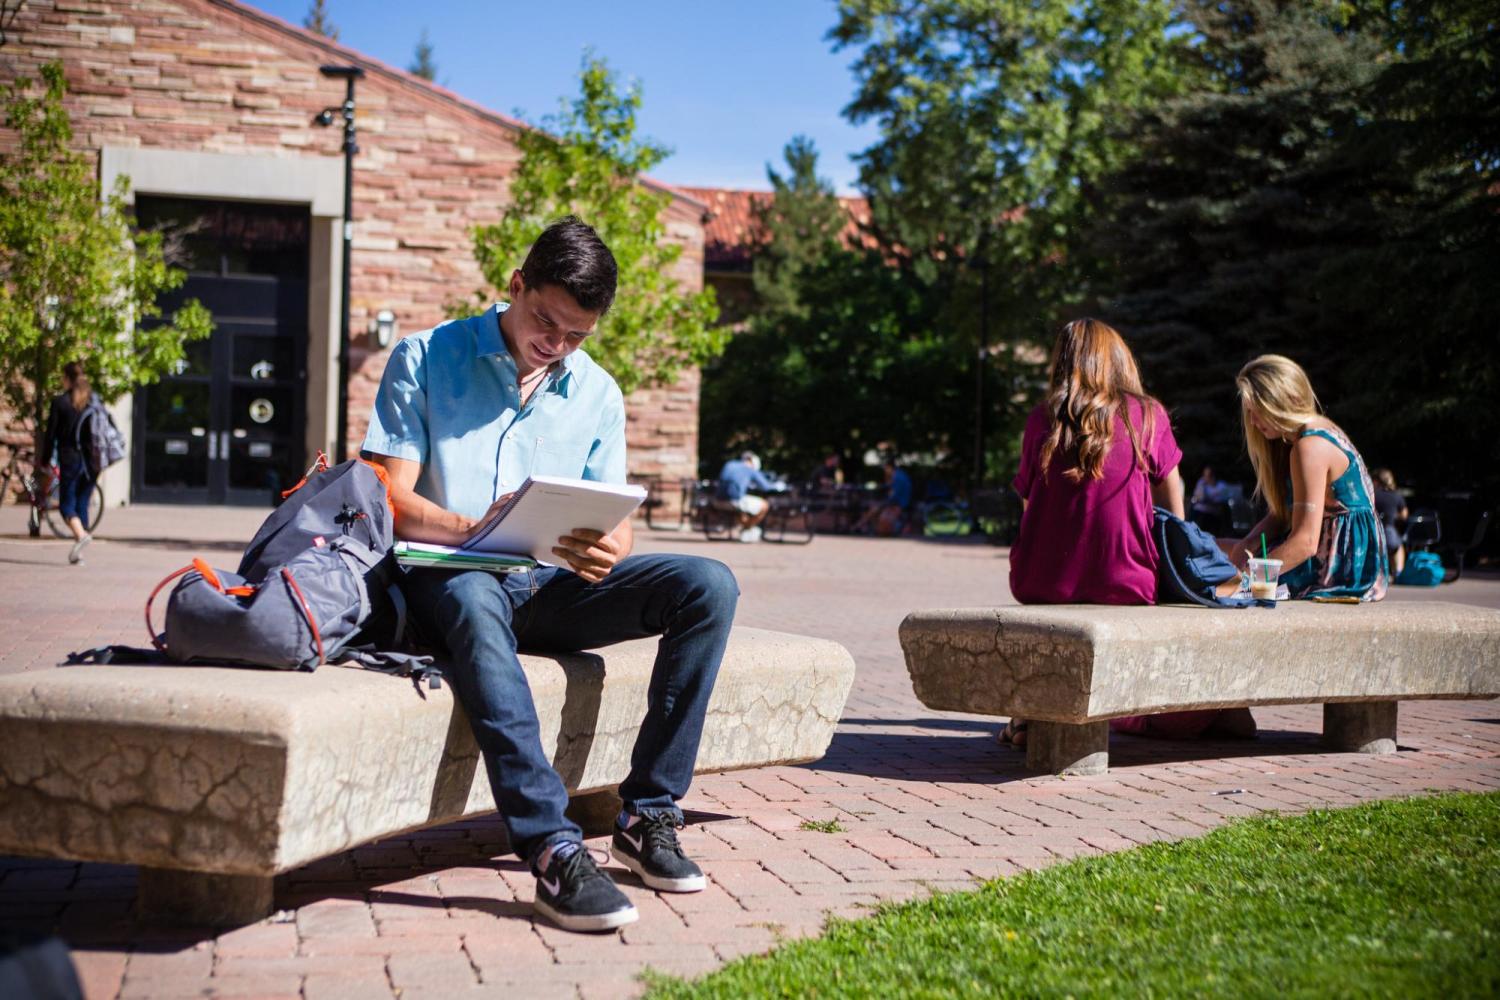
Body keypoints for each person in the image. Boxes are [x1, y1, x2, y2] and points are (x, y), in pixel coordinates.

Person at [362, 217, 740, 933]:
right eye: (546, 322)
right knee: (475, 597)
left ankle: (649, 814)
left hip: (546, 586)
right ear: (515, 285)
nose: (556, 345)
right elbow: (387, 495)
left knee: (708, 585)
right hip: (451, 576)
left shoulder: (597, 392)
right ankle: (551, 846)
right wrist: (472, 527)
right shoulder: (425, 355)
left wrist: (610, 548)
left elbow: (615, 515)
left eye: (577, 336)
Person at [1005, 319, 1253, 746]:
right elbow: (1174, 507)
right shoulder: (1147, 415)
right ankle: (1148, 716)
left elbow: (1029, 508)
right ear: (1119, 360)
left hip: (1040, 581)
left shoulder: (1041, 420)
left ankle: (1029, 716)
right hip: (1125, 581)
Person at [1217, 355, 1388, 602]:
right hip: (1348, 558)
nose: (1252, 422)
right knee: (1220, 548)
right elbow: (1282, 515)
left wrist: (1241, 580)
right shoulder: (1315, 431)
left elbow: (1305, 542)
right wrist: (1249, 542)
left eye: (1257, 412)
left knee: (1211, 561)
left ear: (1280, 401)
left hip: (1340, 566)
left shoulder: (1310, 446)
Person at [39, 362, 96, 565]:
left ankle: (81, 536)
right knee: (81, 506)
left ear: (66, 378)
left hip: (70, 459)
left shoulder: (61, 402)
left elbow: (50, 435)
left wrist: (44, 460)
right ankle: (78, 553)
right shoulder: (91, 401)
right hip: (92, 462)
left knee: (66, 506)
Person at [715, 451, 775, 543]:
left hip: (718, 501)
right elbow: (766, 487)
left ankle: (746, 529)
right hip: (735, 501)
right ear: (753, 461)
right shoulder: (750, 469)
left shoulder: (729, 464)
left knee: (743, 509)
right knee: (764, 505)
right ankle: (747, 529)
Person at [853, 458, 912, 536]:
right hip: (900, 502)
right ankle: (860, 526)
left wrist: (883, 502)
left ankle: (857, 527)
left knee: (874, 508)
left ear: (889, 468)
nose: (884, 470)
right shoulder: (899, 475)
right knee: (875, 507)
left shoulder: (897, 478)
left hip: (900, 504)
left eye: (885, 468)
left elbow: (893, 496)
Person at [1371, 468, 1408, 576]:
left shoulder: (1373, 495)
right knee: (1398, 545)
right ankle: (1398, 572)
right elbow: (1404, 516)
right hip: (1388, 532)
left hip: (1373, 532)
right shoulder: (1397, 495)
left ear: (1376, 481)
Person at [1189, 465, 1232, 535]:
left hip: (1213, 514)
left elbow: (1222, 501)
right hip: (1200, 512)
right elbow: (1199, 497)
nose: (1205, 477)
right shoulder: (1201, 483)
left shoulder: (1222, 486)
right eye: (1204, 474)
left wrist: (1207, 500)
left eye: (1208, 475)